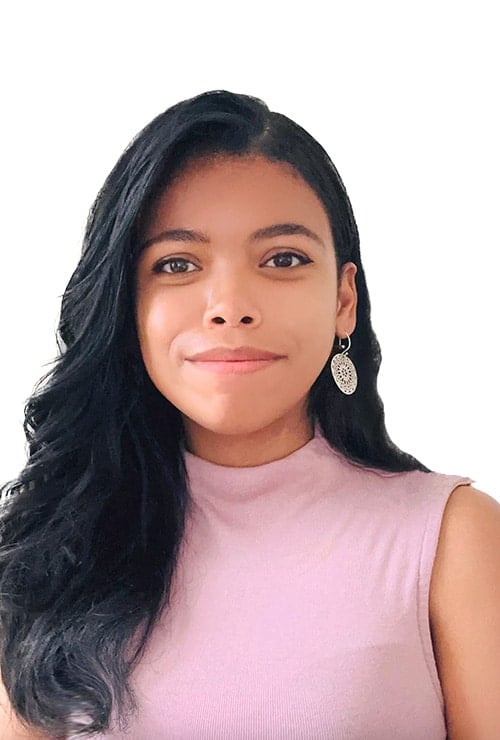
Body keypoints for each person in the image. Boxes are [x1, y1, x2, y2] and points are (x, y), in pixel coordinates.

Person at [0, 90, 499, 740]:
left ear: (343, 300)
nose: (230, 306)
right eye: (177, 264)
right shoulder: (48, 556)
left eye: (283, 259)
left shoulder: (453, 542)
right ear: (127, 306)